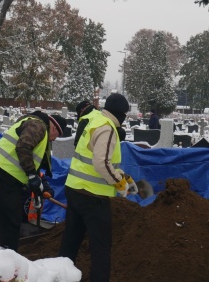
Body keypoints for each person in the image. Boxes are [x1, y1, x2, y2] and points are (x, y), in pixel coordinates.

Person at [59, 93, 138, 282]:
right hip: (93, 197)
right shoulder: (107, 128)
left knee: (70, 241)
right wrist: (120, 185)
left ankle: (59, 276)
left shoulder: (94, 119)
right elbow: (101, 163)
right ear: (121, 113)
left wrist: (122, 176)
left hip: (75, 189)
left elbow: (93, 157)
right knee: (101, 247)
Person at [0, 110, 67, 251]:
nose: (54, 140)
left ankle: (5, 255)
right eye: (57, 136)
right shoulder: (38, 125)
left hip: (1, 174)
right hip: (1, 173)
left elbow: (32, 163)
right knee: (11, 221)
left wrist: (41, 184)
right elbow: (23, 146)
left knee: (9, 220)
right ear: (54, 128)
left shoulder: (37, 125)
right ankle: (9, 259)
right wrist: (32, 175)